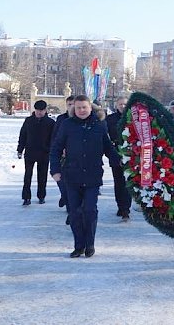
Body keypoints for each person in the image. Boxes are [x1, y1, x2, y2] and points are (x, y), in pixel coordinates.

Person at [50, 95, 120, 258]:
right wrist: (55, 170)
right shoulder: (67, 125)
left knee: (89, 209)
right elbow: (56, 149)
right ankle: (78, 245)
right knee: (74, 212)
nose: (81, 110)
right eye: (78, 107)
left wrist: (121, 162)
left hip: (92, 176)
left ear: (90, 108)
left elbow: (108, 148)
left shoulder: (99, 125)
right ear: (74, 108)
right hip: (71, 176)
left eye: (84, 107)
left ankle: (90, 244)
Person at [17, 100, 55, 205]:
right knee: (27, 175)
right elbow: (23, 136)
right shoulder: (28, 121)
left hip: (44, 153)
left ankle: (41, 196)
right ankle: (26, 197)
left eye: (41, 110)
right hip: (30, 152)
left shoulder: (50, 123)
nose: (39, 112)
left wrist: (51, 150)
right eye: (38, 110)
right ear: (35, 110)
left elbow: (54, 139)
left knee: (42, 176)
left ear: (45, 110)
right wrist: (20, 149)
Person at [105, 96, 131, 221]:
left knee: (129, 182)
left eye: (125, 104)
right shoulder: (110, 119)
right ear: (116, 106)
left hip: (131, 154)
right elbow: (106, 137)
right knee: (118, 182)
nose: (122, 106)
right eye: (120, 104)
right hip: (115, 153)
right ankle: (120, 206)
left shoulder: (132, 119)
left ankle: (126, 208)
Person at [52, 95, 75, 210]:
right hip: (62, 154)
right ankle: (65, 196)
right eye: (69, 105)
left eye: (73, 104)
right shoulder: (61, 118)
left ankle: (69, 201)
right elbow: (55, 136)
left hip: (75, 154)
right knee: (61, 179)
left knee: (71, 180)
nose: (71, 107)